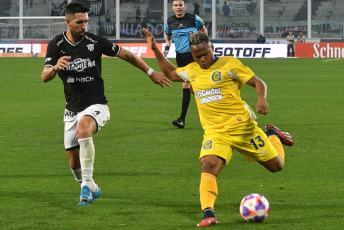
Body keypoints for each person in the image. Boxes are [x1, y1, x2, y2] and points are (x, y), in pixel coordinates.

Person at [142, 29, 294, 227]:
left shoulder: (229, 64)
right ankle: (208, 213)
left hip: (243, 129)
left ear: (211, 48)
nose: (202, 59)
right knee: (208, 165)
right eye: (197, 56)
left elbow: (257, 82)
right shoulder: (192, 70)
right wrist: (155, 49)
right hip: (215, 132)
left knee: (276, 166)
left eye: (205, 54)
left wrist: (261, 98)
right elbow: (170, 72)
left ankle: (273, 134)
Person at [41, 2, 171, 206]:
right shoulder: (57, 45)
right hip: (71, 110)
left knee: (85, 129)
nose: (84, 26)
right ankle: (91, 186)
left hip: (97, 105)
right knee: (74, 163)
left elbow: (126, 54)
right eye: (79, 22)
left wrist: (150, 72)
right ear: (68, 22)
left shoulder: (96, 42)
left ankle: (85, 187)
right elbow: (44, 76)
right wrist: (56, 67)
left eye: (86, 21)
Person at [164, 0, 208, 129]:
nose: (178, 8)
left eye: (180, 5)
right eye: (176, 5)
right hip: (180, 56)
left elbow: (203, 30)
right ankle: (215, 101)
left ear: (184, 7)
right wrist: (167, 48)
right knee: (194, 88)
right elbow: (168, 37)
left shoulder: (194, 19)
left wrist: (205, 44)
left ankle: (181, 119)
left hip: (193, 55)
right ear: (173, 8)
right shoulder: (169, 22)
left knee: (186, 84)